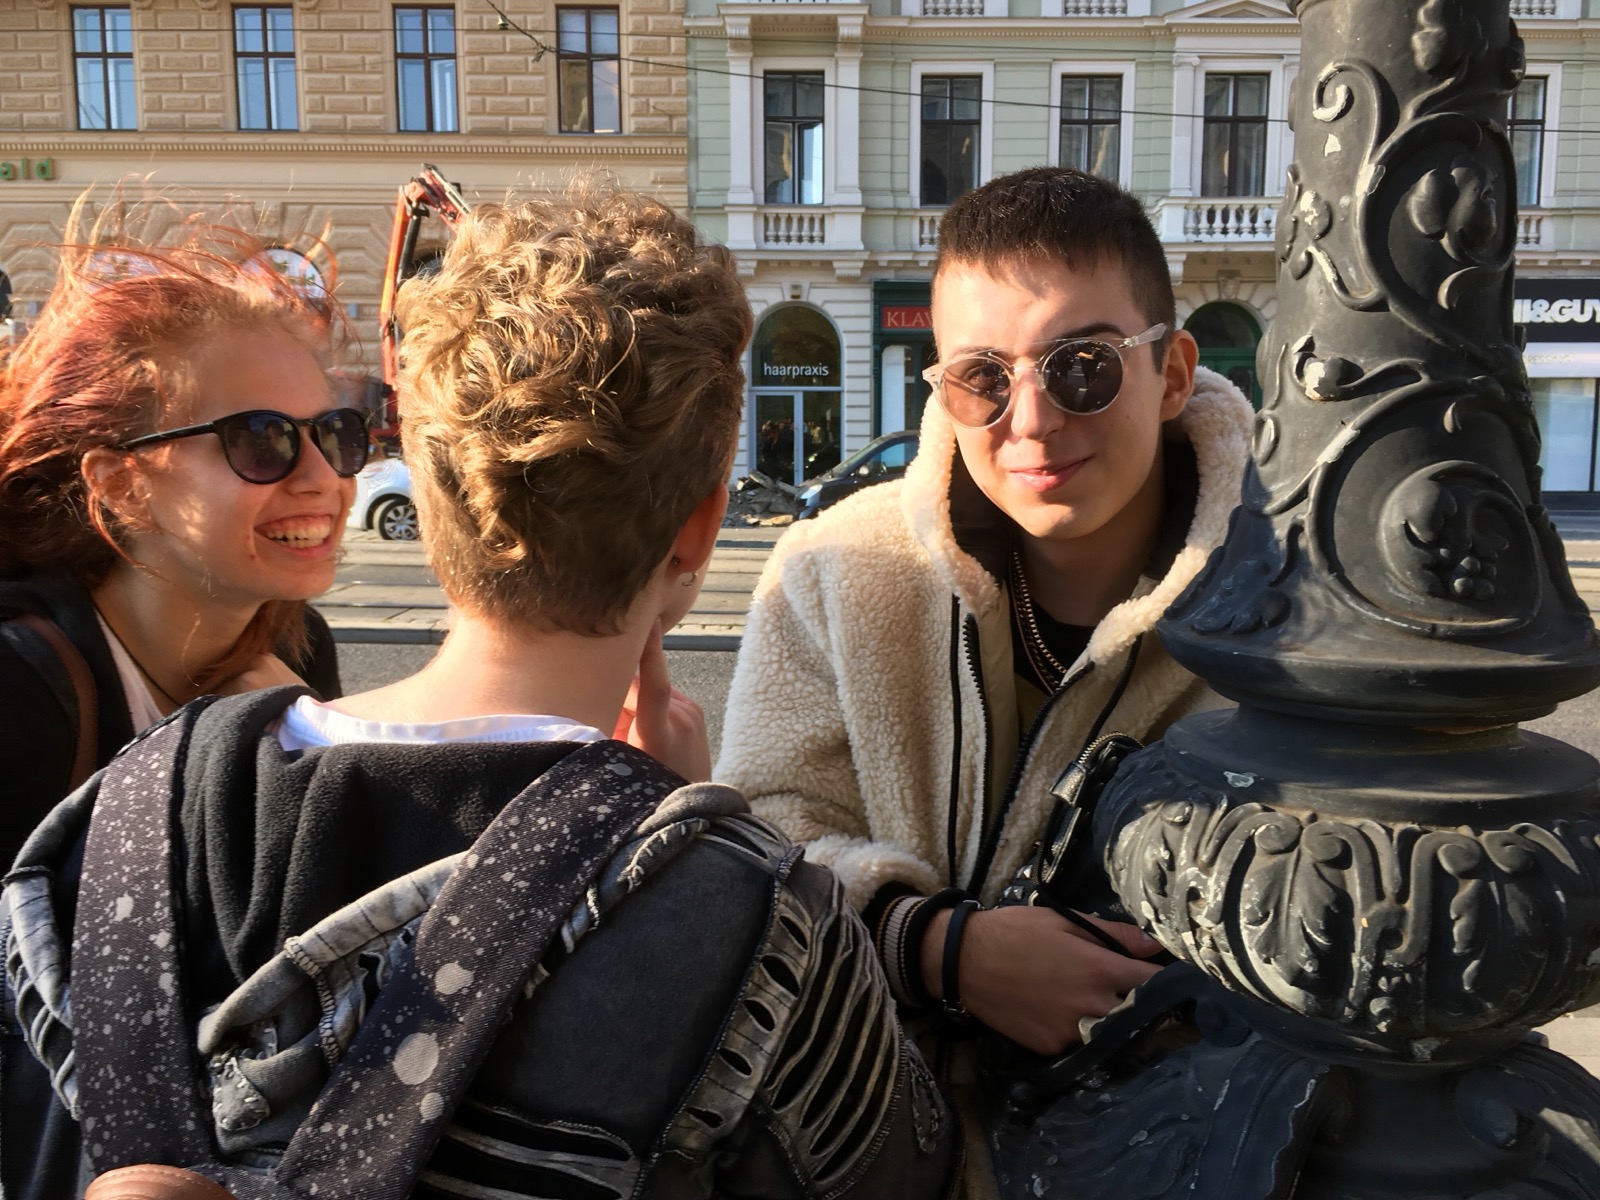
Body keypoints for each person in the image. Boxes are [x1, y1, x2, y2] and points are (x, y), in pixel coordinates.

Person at [3, 187, 957, 1198]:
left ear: (425, 482)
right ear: (699, 527)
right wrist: (682, 833)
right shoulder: (759, 921)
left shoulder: (115, 817)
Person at [716, 166, 1255, 1189]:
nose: (1032, 420)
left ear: (1173, 373)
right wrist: (942, 950)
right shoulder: (834, 569)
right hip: (869, 1155)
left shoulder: (1288, 601)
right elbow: (754, 855)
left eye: (1084, 366)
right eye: (982, 378)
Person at [0, 202, 351, 866]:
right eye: (260, 438)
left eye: (335, 433)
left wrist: (313, 760)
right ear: (122, 486)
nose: (322, 477)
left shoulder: (296, 647)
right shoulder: (22, 691)